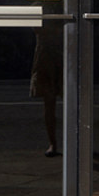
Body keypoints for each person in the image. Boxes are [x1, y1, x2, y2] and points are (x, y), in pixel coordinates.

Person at [30, 23, 63, 157]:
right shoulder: (39, 6)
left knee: (74, 102)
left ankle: (80, 141)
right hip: (47, 55)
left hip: (61, 51)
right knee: (49, 102)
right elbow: (36, 28)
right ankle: (53, 143)